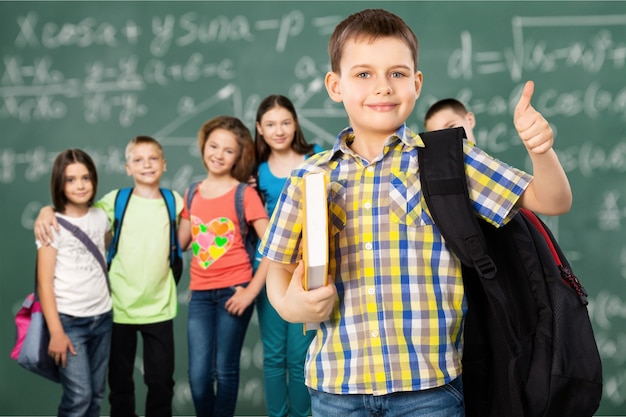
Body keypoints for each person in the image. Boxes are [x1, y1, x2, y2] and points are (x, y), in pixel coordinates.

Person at [259, 8, 572, 417]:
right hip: (335, 388)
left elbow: (553, 201)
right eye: (364, 74)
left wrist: (541, 151)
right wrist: (291, 306)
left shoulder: (448, 159)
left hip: (429, 391)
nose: (383, 87)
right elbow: (277, 271)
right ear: (335, 85)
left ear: (417, 82)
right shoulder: (309, 175)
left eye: (398, 73)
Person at [35, 136, 182, 417]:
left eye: (86, 178)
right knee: (100, 391)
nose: (80, 185)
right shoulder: (106, 205)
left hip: (131, 311)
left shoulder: (168, 202)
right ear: (127, 167)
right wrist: (45, 211)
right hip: (100, 313)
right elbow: (47, 277)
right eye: (138, 160)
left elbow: (184, 236)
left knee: (137, 387)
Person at [178, 115, 269, 417]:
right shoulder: (192, 192)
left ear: (238, 156)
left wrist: (251, 292)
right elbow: (181, 241)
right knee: (199, 378)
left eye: (228, 150)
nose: (218, 154)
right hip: (201, 296)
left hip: (235, 291)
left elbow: (274, 245)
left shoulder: (245, 194)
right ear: (204, 146)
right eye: (213, 146)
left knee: (224, 371)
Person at [254, 94, 323, 417]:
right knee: (273, 355)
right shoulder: (254, 172)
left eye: (285, 122)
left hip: (308, 270)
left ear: (295, 123)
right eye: (270, 124)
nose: (279, 130)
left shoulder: (317, 159)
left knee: (300, 354)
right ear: (260, 129)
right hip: (269, 270)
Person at [37, 149, 113, 417]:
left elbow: (103, 251)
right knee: (79, 397)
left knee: (96, 395)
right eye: (70, 180)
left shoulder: (101, 217)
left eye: (85, 178)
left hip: (102, 317)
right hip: (70, 322)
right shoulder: (51, 225)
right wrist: (56, 332)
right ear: (59, 183)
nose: (80, 185)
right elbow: (45, 283)